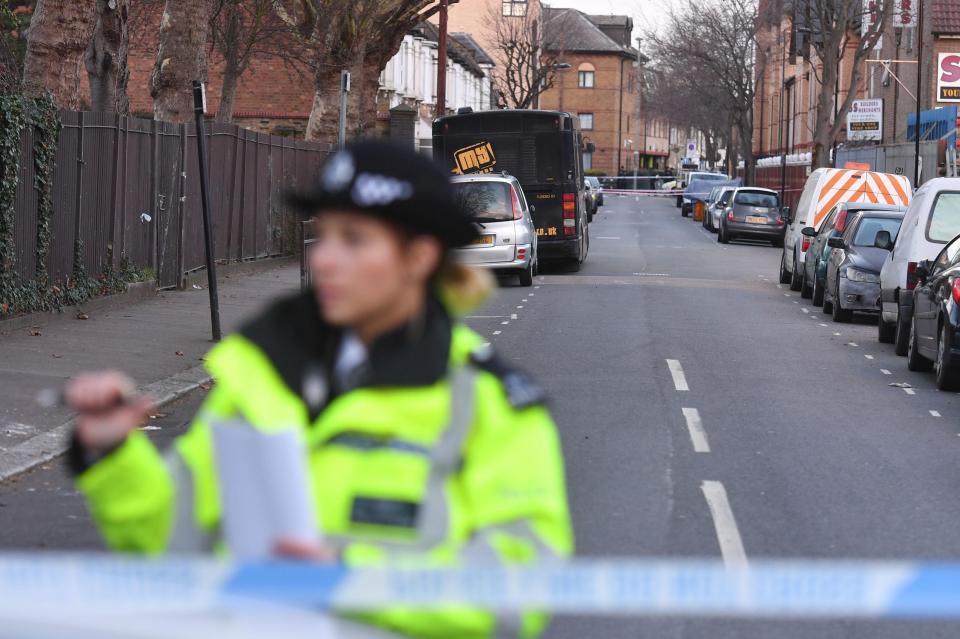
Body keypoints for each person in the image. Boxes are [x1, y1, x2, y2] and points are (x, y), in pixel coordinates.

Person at [66, 139, 574, 639]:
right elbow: (175, 543)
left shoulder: (486, 400)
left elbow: (519, 585)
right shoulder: (263, 373)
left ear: (419, 258)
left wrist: (351, 579)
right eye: (323, 235)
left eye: (353, 239)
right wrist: (113, 457)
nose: (324, 259)